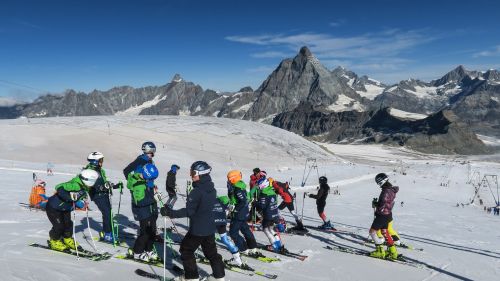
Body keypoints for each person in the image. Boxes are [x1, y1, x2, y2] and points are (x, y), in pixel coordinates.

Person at [160, 161, 225, 281]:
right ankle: (219, 277)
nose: (191, 175)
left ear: (202, 173)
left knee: (186, 250)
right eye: (191, 172)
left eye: (193, 172)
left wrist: (170, 213)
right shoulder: (211, 188)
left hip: (198, 229)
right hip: (210, 228)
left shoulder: (197, 191)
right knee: (211, 253)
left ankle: (191, 277)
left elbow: (189, 211)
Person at [45, 169, 99, 251]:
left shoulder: (85, 186)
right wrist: (70, 197)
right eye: (93, 181)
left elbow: (82, 195)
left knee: (68, 224)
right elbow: (59, 187)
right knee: (59, 226)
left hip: (65, 208)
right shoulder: (75, 184)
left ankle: (67, 239)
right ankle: (54, 241)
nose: (93, 184)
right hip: (54, 208)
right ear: (88, 180)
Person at [85, 152, 123, 243]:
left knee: (108, 213)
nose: (102, 162)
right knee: (107, 213)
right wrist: (100, 187)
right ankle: (107, 234)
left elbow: (104, 183)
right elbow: (88, 184)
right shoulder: (89, 171)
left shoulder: (100, 170)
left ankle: (107, 231)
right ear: (95, 161)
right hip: (97, 195)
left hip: (104, 194)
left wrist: (115, 186)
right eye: (100, 160)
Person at [126, 163, 160, 262]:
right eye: (152, 178)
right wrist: (154, 199)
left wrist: (153, 190)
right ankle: (137, 252)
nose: (152, 181)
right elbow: (140, 202)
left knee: (152, 231)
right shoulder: (138, 185)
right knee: (145, 233)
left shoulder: (146, 181)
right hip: (143, 212)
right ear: (147, 175)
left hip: (150, 210)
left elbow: (148, 194)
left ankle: (148, 249)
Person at [226, 170, 258, 258]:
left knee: (233, 232)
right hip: (243, 212)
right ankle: (252, 246)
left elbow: (243, 201)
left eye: (229, 179)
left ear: (233, 178)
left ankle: (243, 248)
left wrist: (235, 209)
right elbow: (247, 197)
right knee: (245, 229)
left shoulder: (237, 188)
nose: (228, 181)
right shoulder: (240, 185)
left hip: (239, 213)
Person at [369, 173, 399, 260]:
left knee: (372, 232)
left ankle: (380, 251)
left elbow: (383, 204)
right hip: (388, 214)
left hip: (382, 215)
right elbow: (387, 203)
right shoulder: (390, 189)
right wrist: (378, 204)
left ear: (381, 181)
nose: (378, 184)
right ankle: (393, 252)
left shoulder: (386, 191)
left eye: (378, 182)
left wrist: (376, 205)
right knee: (385, 232)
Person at [214, 195, 244, 267]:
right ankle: (238, 259)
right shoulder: (221, 201)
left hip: (213, 222)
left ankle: (213, 257)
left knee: (206, 238)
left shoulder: (208, 201)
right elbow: (230, 208)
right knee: (225, 240)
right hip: (222, 222)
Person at [255, 176, 282, 252]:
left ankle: (274, 245)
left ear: (263, 185)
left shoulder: (264, 193)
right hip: (275, 214)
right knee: (271, 229)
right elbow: (275, 202)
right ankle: (278, 244)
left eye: (259, 185)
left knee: (266, 229)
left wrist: (255, 203)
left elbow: (262, 206)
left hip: (268, 215)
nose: (258, 187)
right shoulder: (272, 191)